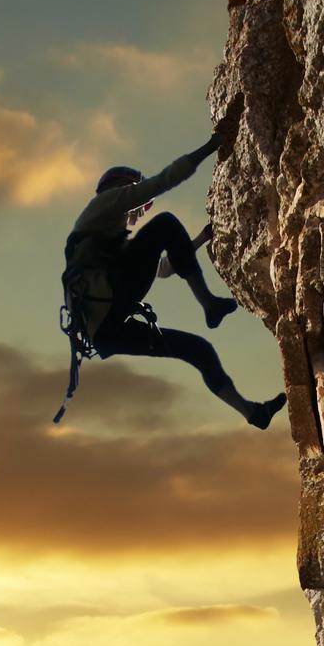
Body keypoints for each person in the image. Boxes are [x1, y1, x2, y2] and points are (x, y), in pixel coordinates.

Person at [61, 124, 287, 430]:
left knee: (197, 349)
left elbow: (163, 270)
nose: (141, 210)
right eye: (140, 204)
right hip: (114, 307)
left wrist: (198, 240)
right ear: (123, 188)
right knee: (165, 224)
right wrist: (210, 147)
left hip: (107, 331)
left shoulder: (104, 239)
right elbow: (162, 182)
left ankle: (252, 413)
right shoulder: (105, 204)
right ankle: (207, 303)